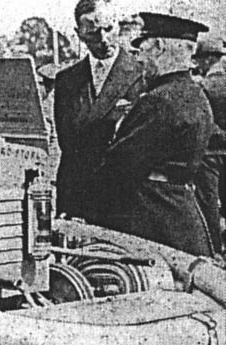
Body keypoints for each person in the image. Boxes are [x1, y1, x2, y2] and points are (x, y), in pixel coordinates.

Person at [95, 12, 216, 256]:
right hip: (182, 220)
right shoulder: (196, 95)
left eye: (143, 49)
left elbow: (118, 166)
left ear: (159, 47)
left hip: (152, 224)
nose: (139, 59)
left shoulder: (158, 100)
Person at [54, 0, 145, 223]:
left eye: (108, 29)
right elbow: (67, 145)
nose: (103, 40)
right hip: (77, 198)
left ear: (117, 25)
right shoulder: (66, 81)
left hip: (122, 200)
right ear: (79, 34)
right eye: (93, 33)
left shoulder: (142, 74)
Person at [193, 35, 226, 252]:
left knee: (209, 203)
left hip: (211, 154)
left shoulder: (205, 86)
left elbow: (203, 120)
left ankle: (214, 248)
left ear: (208, 59)